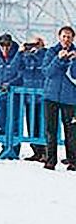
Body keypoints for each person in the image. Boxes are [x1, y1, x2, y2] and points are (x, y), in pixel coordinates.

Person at [41, 26, 76, 171]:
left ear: (73, 38)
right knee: (51, 130)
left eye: (69, 37)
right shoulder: (51, 52)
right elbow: (47, 72)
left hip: (70, 98)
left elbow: (74, 75)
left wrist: (73, 61)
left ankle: (73, 161)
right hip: (51, 96)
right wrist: (58, 59)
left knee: (71, 131)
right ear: (59, 37)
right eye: (64, 36)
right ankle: (50, 160)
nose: (66, 39)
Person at [12, 37, 48, 161]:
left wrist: (37, 52)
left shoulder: (46, 54)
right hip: (28, 96)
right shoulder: (25, 56)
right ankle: (36, 151)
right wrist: (20, 53)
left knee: (42, 125)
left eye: (36, 44)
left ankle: (45, 152)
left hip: (42, 97)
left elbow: (44, 67)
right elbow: (14, 68)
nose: (32, 46)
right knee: (31, 125)